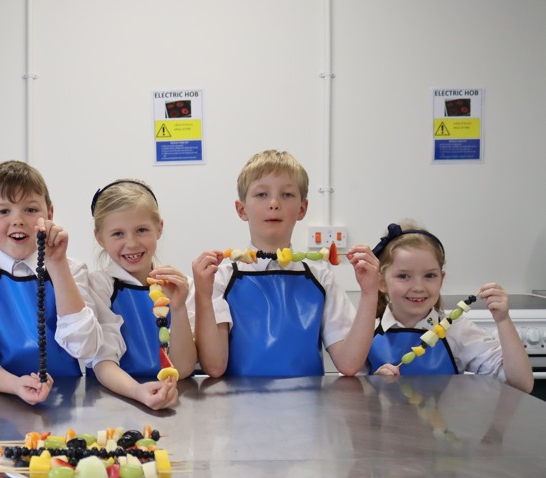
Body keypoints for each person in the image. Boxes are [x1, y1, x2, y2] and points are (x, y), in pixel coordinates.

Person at [192, 149, 379, 378]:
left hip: (309, 401)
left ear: (302, 209)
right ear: (242, 209)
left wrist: (369, 293)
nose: (274, 203)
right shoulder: (221, 280)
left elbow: (349, 364)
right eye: (261, 194)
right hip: (240, 402)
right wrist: (202, 295)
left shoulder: (321, 279)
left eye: (287, 194)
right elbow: (214, 367)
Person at [0, 160, 102, 405]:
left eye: (30, 210)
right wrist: (15, 385)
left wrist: (57, 265)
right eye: (3, 211)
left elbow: (86, 348)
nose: (18, 220)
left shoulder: (71, 269)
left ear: (49, 214)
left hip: (66, 400)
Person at [367, 222, 533, 392]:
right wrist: (373, 386)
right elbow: (354, 394)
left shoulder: (456, 330)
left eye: (430, 275)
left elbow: (521, 384)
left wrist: (503, 320)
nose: (418, 287)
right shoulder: (366, 332)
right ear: (381, 282)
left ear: (441, 279)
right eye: (403, 276)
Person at [85, 179, 195, 409]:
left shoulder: (179, 286)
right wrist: (137, 392)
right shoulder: (98, 286)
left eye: (141, 230)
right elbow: (102, 362)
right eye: (118, 233)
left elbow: (183, 368)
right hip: (112, 402)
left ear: (159, 228)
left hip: (171, 399)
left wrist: (178, 307)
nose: (132, 243)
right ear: (99, 237)